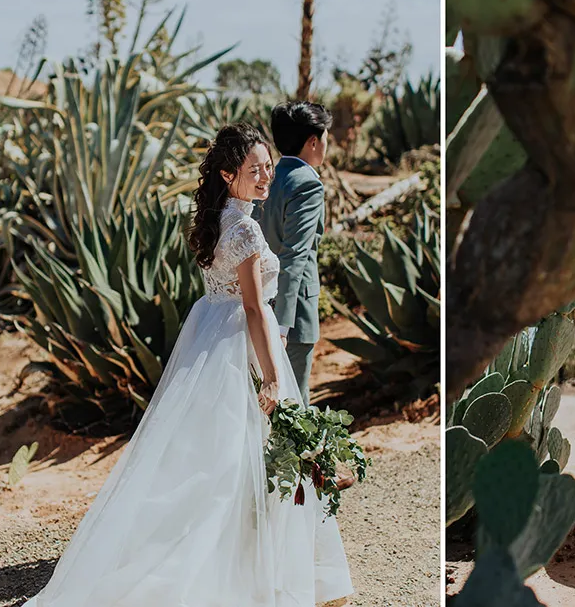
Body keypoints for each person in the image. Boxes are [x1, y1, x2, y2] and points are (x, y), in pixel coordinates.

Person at [24, 124, 352, 607]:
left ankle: (238, 561)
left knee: (217, 460)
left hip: (210, 334)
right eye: (254, 170)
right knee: (244, 461)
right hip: (240, 340)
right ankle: (241, 573)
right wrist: (274, 376)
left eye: (268, 167)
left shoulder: (219, 217)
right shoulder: (244, 227)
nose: (265, 177)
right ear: (227, 173)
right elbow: (256, 308)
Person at [260, 101, 330, 407]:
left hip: (259, 305)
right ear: (313, 141)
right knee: (293, 405)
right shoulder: (308, 185)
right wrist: (283, 324)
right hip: (293, 313)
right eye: (326, 137)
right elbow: (295, 256)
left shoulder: (267, 179)